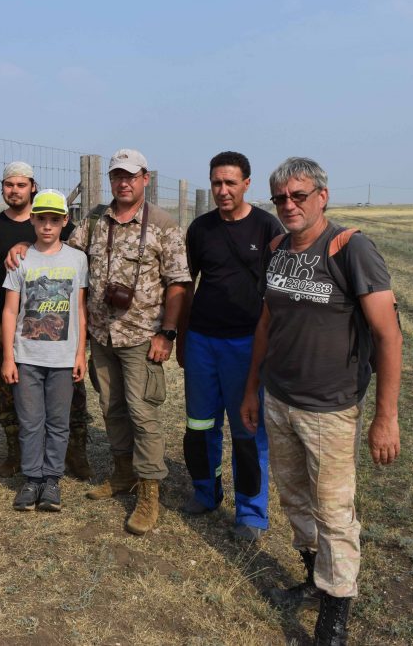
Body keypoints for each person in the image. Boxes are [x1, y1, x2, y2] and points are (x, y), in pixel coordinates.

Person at [240, 157, 402, 644]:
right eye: (281, 198)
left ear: (322, 197)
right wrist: (252, 388)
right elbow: (266, 322)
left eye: (299, 195)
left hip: (330, 407)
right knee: (294, 498)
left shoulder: (351, 249)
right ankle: (314, 576)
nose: (289, 205)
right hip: (279, 398)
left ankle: (334, 615)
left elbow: (388, 335)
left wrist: (386, 417)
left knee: (333, 512)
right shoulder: (277, 249)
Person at [7, 148, 191, 535]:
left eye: (130, 176)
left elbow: (178, 283)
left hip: (142, 336)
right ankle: (123, 473)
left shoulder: (163, 224)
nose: (123, 183)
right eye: (117, 176)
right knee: (112, 409)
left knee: (143, 413)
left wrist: (167, 332)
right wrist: (22, 247)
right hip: (102, 335)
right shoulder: (94, 221)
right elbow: (57, 252)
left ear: (145, 178)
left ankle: (149, 492)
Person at [177, 152, 284, 542]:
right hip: (202, 341)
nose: (222, 190)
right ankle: (206, 492)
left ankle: (251, 513)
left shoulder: (267, 227)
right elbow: (186, 286)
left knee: (247, 429)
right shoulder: (200, 229)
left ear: (247, 184)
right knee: (200, 425)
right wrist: (182, 337)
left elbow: (277, 293)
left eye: (230, 183)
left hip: (246, 343)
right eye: (216, 183)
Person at [0, 162, 93, 480]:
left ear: (32, 187)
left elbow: (66, 254)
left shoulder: (54, 224)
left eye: (21, 184)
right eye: (9, 184)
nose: (14, 190)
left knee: (70, 402)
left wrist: (26, 244)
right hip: (16, 329)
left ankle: (74, 454)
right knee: (13, 396)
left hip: (60, 338)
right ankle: (18, 455)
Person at [1, 190, 87, 512]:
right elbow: (11, 310)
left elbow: (80, 309)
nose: (47, 226)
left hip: (63, 359)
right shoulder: (21, 259)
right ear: (33, 221)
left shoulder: (77, 259)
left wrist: (79, 353)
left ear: (65, 221)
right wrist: (9, 357)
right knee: (31, 421)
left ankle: (52, 479)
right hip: (27, 358)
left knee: (58, 421)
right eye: (41, 220)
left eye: (54, 220)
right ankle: (32, 479)